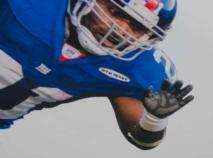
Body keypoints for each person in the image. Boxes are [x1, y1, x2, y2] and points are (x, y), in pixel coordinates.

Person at [1, 0, 194, 149]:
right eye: (116, 13)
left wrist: (154, 119)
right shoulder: (28, 6)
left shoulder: (134, 67)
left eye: (137, 28)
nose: (121, 30)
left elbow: (140, 139)